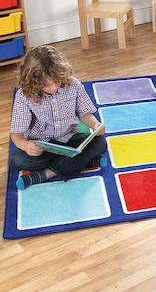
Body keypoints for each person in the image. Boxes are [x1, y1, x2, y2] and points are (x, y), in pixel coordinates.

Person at [10, 45, 107, 190]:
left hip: (70, 139)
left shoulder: (73, 85)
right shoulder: (24, 96)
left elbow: (85, 113)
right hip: (43, 146)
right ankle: (85, 162)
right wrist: (26, 146)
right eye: (46, 85)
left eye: (56, 82)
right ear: (33, 81)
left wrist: (95, 125)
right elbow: (16, 135)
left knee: (100, 142)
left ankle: (46, 174)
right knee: (19, 160)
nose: (54, 88)